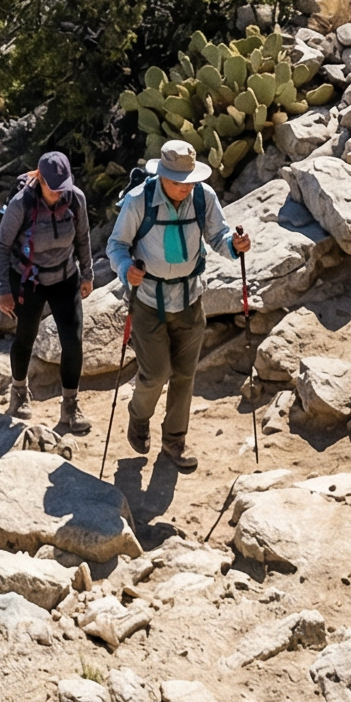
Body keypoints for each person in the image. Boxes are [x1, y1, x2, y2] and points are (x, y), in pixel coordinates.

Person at [103, 139, 249, 470]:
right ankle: (139, 416)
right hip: (148, 302)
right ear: (162, 175)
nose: (184, 188)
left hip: (190, 300)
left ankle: (174, 441)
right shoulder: (139, 200)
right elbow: (117, 245)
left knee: (184, 374)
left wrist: (235, 246)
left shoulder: (203, 197)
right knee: (155, 374)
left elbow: (218, 238)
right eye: (177, 182)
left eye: (189, 181)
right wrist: (127, 270)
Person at [0, 150, 93, 430]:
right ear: (40, 179)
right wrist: (4, 291)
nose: (59, 193)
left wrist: (87, 273)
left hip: (65, 277)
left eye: (63, 187)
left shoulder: (76, 199)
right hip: (28, 280)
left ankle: (70, 405)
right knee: (25, 336)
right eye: (54, 187)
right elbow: (0, 247)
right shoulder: (21, 205)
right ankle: (19, 392)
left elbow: (82, 237)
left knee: (73, 341)